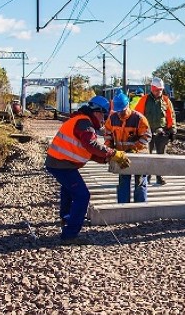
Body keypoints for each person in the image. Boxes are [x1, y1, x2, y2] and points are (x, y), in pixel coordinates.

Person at [45, 96, 130, 241]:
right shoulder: (85, 123)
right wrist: (113, 153)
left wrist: (106, 158)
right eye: (103, 115)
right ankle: (70, 235)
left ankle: (66, 218)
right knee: (82, 196)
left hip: (60, 162)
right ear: (97, 112)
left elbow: (87, 151)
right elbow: (91, 145)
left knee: (69, 189)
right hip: (62, 164)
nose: (104, 119)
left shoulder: (81, 120)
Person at [104, 90, 151, 203]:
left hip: (139, 155)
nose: (120, 114)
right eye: (118, 111)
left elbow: (147, 136)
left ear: (127, 106)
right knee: (123, 181)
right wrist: (109, 149)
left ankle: (140, 208)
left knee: (140, 182)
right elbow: (108, 135)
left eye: (122, 111)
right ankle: (123, 207)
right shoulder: (112, 118)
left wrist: (135, 148)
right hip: (122, 155)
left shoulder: (139, 119)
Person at [133, 77, 176, 185]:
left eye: (161, 89)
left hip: (162, 132)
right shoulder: (144, 100)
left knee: (161, 156)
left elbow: (171, 116)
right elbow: (137, 115)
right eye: (157, 89)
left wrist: (173, 129)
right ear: (152, 88)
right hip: (147, 133)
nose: (159, 92)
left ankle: (159, 176)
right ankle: (147, 177)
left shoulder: (166, 100)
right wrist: (136, 131)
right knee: (147, 155)